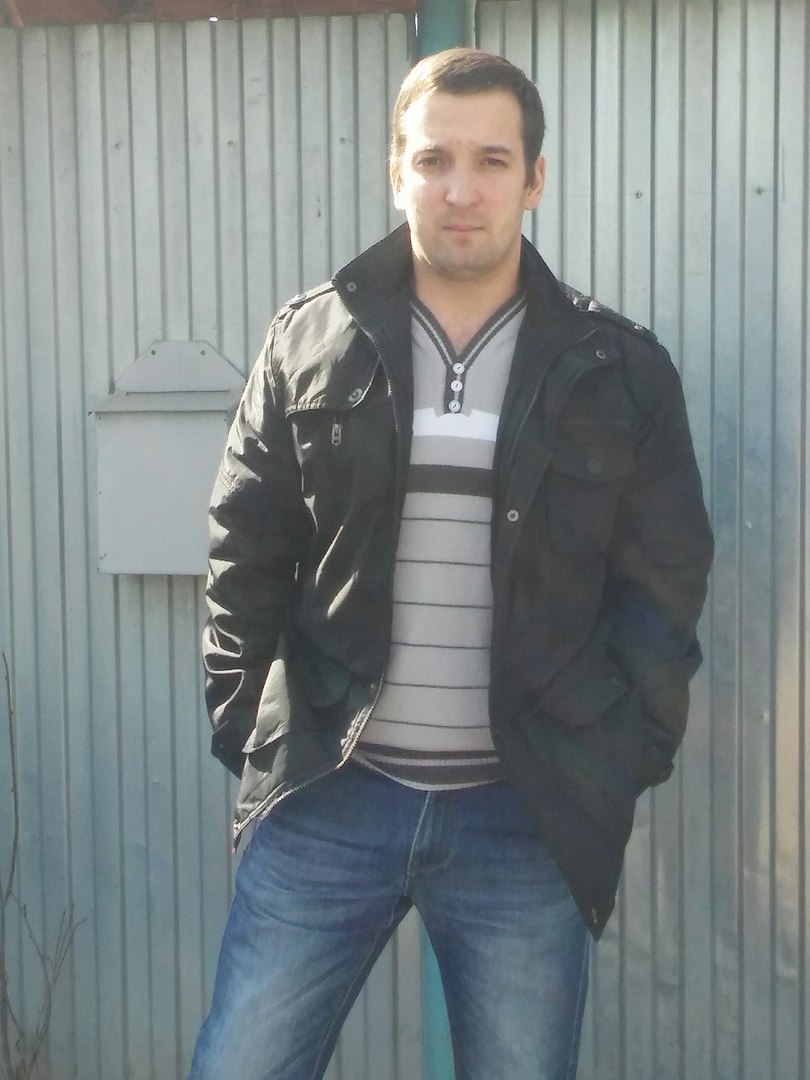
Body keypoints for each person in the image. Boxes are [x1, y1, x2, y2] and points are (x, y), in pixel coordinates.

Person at [188, 47, 713, 1080]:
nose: (460, 190)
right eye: (433, 160)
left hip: (526, 815)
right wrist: (252, 728)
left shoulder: (618, 368)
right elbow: (244, 550)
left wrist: (617, 755)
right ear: (397, 171)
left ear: (535, 178)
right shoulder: (311, 341)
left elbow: (665, 585)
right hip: (328, 795)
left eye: (490, 160)